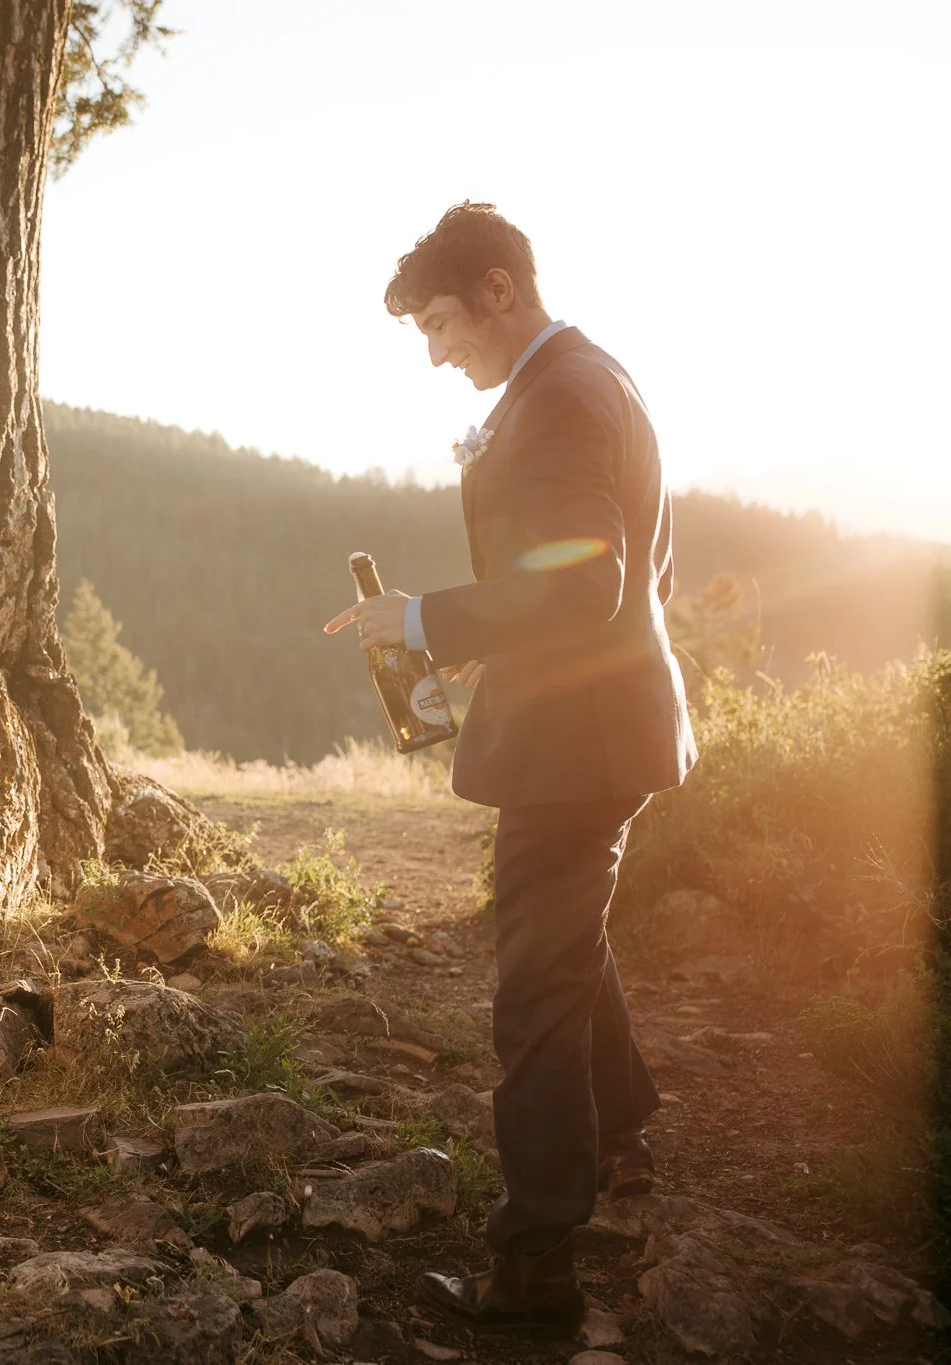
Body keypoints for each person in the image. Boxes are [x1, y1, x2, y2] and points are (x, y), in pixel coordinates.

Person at [326, 203, 698, 1329]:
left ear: (497, 290)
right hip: (587, 723)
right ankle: (622, 1130)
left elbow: (583, 586)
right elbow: (610, 586)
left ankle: (534, 1264)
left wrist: (426, 617)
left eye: (439, 322)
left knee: (530, 985)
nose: (436, 352)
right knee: (563, 939)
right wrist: (499, 655)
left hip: (576, 749)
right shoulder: (580, 379)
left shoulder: (564, 398)